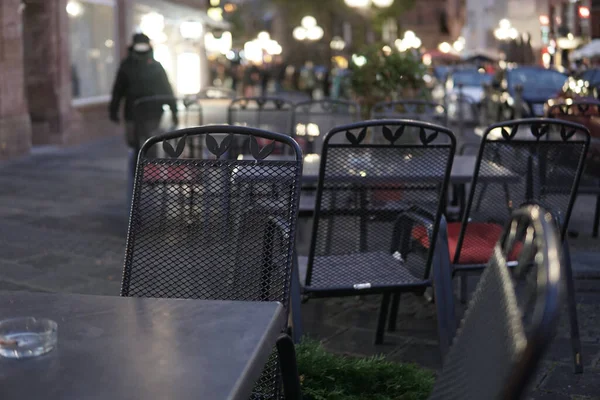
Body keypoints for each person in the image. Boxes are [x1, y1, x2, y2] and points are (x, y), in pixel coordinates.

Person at [108, 33, 178, 209]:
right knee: (135, 144)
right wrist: (113, 109)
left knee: (149, 142)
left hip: (151, 113)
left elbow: (166, 89)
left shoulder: (155, 66)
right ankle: (139, 172)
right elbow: (118, 89)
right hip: (133, 113)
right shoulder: (127, 66)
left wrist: (173, 109)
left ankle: (148, 174)